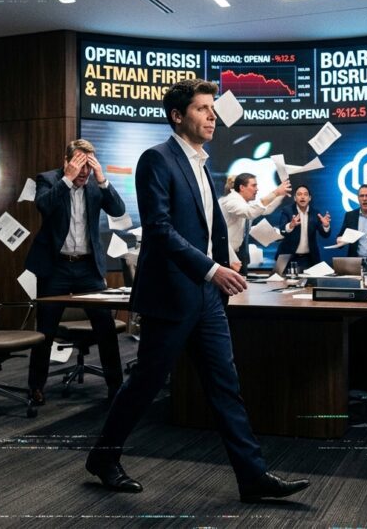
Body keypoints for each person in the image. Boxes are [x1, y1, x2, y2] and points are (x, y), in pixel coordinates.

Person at [85, 79, 309, 503]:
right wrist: (212, 269)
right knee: (146, 384)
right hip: (172, 295)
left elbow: (209, 228)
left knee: (226, 386)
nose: (212, 116)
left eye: (212, 108)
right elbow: (159, 230)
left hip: (206, 298)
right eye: (203, 109)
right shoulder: (157, 159)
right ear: (178, 116)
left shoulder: (203, 164)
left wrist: (223, 262)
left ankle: (252, 477)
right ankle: (103, 457)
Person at [25, 139, 127, 405]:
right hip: (55, 266)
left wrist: (102, 179)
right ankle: (36, 387)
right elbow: (44, 207)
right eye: (79, 166)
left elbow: (118, 210)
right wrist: (67, 180)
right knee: (45, 331)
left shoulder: (95, 184)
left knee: (104, 327)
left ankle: (116, 387)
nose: (84, 173)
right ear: (67, 161)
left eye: (88, 167)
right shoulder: (48, 180)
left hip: (87, 267)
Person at [218, 173, 290, 274]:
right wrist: (276, 192)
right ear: (241, 187)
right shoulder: (230, 201)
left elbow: (265, 209)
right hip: (226, 255)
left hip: (236, 254)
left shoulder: (245, 202)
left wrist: (280, 195)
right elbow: (250, 212)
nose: (257, 189)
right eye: (254, 185)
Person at [277, 185, 331, 270]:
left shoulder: (315, 213)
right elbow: (282, 230)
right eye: (299, 194)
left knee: (311, 283)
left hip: (309, 259)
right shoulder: (287, 210)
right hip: (289, 258)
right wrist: (291, 225)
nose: (302, 197)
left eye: (305, 194)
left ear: (309, 198)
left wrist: (326, 226)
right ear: (295, 198)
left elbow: (325, 235)